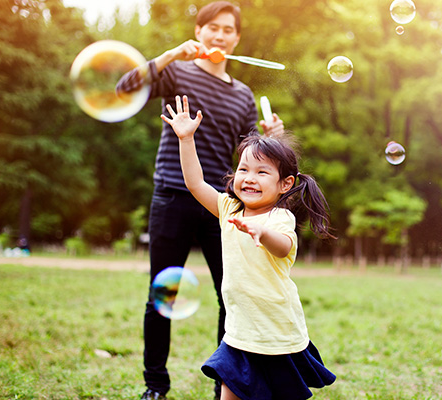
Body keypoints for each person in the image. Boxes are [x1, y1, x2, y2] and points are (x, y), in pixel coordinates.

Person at [116, 2, 284, 399]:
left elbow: (249, 155)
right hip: (172, 194)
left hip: (220, 204)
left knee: (232, 296)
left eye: (228, 29)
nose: (220, 35)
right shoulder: (176, 72)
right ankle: (155, 386)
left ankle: (225, 388)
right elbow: (125, 87)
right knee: (162, 296)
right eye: (212, 27)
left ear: (236, 38)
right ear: (199, 31)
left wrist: (272, 136)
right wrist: (172, 53)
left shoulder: (243, 94)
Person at [161, 94, 336, 400]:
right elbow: (194, 183)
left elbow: (283, 248)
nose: (249, 178)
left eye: (262, 172)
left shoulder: (280, 217)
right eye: (243, 170)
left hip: (276, 332)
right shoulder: (230, 208)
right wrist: (186, 139)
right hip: (240, 332)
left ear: (285, 183)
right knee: (229, 393)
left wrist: (262, 232)